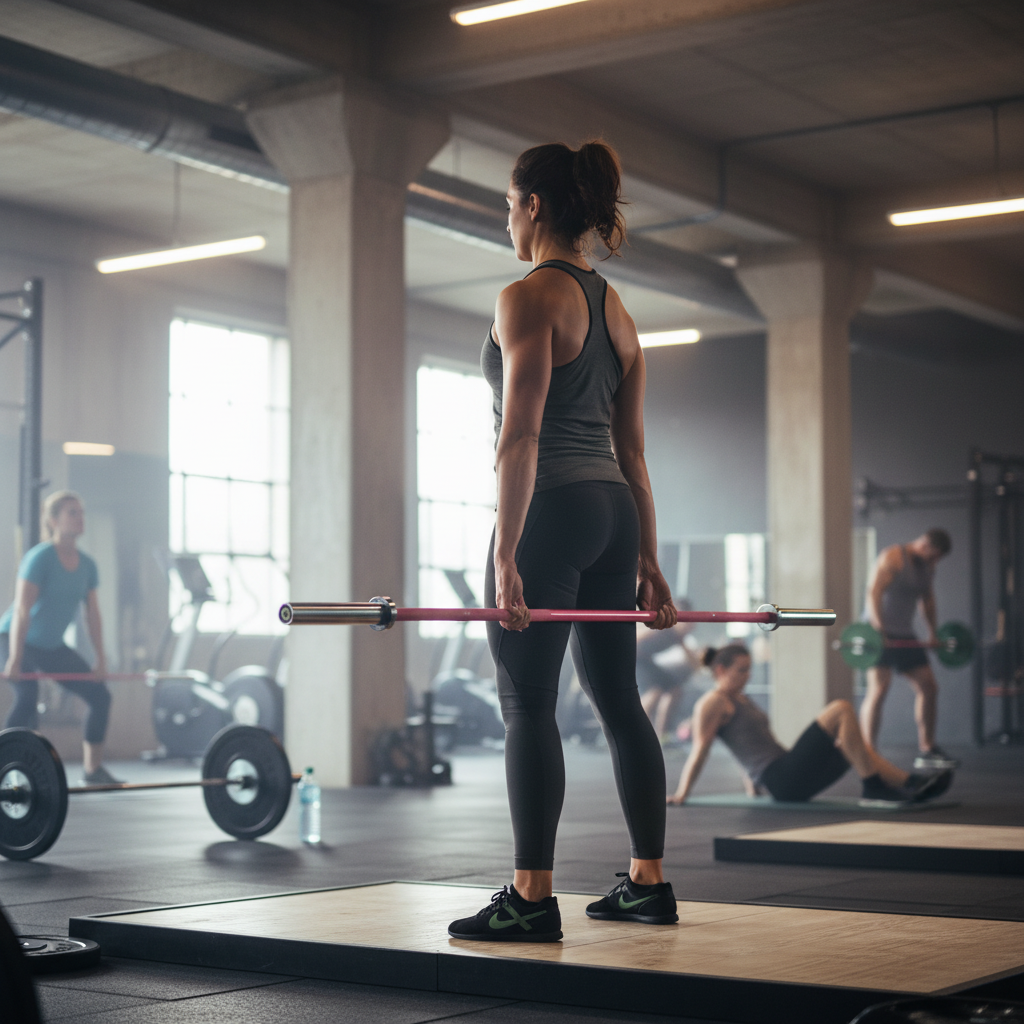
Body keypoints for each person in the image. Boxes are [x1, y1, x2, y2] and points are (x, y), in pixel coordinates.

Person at [448, 141, 679, 944]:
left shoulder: (527, 297)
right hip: (615, 511)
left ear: (535, 205)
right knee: (621, 703)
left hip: (552, 509)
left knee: (526, 704)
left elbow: (520, 438)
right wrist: (649, 558)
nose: (507, 218)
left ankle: (531, 897)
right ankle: (648, 883)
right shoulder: (618, 309)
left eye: (509, 203)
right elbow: (636, 453)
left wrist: (508, 553)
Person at [668, 644, 952, 806]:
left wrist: (751, 785)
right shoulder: (711, 703)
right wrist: (682, 794)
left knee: (854, 747)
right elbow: (701, 749)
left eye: (749, 669)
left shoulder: (740, 699)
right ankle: (873, 786)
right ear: (720, 670)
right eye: (741, 670)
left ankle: (913, 784)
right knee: (840, 710)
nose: (747, 675)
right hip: (781, 778)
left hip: (786, 775)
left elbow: (746, 746)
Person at [1, 491, 120, 784]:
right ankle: (4, 767)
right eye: (72, 513)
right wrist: (15, 659)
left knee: (100, 696)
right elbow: (22, 612)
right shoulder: (40, 558)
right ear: (53, 520)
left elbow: (93, 616)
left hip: (51, 646)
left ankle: (93, 770)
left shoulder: (87, 565)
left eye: (82, 513)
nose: (80, 519)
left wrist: (100, 659)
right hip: (15, 639)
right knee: (27, 696)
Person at [859, 528, 957, 771]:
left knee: (928, 687)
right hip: (876, 631)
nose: (935, 563)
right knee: (879, 689)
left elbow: (928, 600)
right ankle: (868, 751)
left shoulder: (927, 567)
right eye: (933, 556)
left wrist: (932, 632)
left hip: (904, 633)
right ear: (924, 544)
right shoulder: (893, 557)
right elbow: (874, 592)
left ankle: (927, 749)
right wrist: (879, 629)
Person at [637, 597, 701, 743]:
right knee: (653, 692)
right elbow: (635, 638)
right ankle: (639, 736)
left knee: (675, 690)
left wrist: (700, 666)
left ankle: (662, 737)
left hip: (646, 661)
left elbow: (692, 660)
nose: (688, 626)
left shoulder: (678, 635)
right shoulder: (661, 626)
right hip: (634, 658)